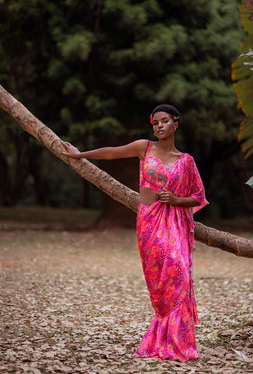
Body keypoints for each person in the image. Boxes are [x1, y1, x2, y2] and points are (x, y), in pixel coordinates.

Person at [62, 104, 208, 362]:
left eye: (164, 121)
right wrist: (79, 154)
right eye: (155, 123)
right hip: (150, 222)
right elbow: (112, 153)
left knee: (180, 271)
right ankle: (163, 339)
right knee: (160, 282)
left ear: (176, 123)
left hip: (174, 221)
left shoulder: (186, 161)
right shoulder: (145, 147)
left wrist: (175, 199)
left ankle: (178, 342)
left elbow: (198, 197)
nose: (159, 126)